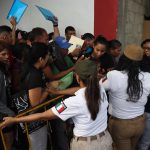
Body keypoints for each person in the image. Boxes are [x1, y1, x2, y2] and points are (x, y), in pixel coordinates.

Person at [0, 60, 112, 150]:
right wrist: (57, 92)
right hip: (105, 139)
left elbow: (42, 115)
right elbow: (79, 90)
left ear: (77, 77)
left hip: (86, 146)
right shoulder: (100, 88)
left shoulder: (73, 102)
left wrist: (14, 120)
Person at [101, 44, 150, 150]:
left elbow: (99, 87)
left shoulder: (114, 75)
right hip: (140, 122)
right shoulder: (148, 77)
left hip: (121, 125)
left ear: (123, 59)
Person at [0, 42, 15, 150]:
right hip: (3, 113)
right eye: (3, 54)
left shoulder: (3, 68)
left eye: (7, 54)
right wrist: (9, 112)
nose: (7, 56)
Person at [138, 39, 150, 150]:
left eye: (149, 48)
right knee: (144, 137)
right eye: (144, 48)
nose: (146, 50)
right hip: (143, 107)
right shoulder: (139, 62)